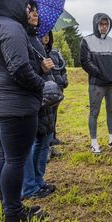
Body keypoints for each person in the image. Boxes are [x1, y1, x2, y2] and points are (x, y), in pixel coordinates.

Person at [0, 0, 48, 221]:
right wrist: (43, 86)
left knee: (6, 157)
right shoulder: (12, 27)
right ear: (14, 2)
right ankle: (14, 213)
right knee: (16, 159)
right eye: (26, 4)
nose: (29, 8)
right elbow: (19, 68)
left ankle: (9, 207)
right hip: (16, 104)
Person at [22, 2, 57, 200]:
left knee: (45, 138)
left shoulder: (34, 37)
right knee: (32, 142)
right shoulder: (21, 37)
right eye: (30, 10)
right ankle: (30, 187)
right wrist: (40, 69)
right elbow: (20, 69)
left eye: (36, 10)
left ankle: (38, 181)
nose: (35, 14)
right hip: (32, 95)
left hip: (43, 95)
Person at [80, 13, 112, 153]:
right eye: (101, 24)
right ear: (96, 25)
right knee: (94, 112)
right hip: (97, 84)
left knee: (111, 110)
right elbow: (85, 62)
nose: (104, 27)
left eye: (106, 24)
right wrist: (99, 73)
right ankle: (94, 142)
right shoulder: (86, 41)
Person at [41, 31, 68, 159]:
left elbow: (63, 68)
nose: (46, 37)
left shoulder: (55, 52)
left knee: (53, 117)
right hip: (45, 91)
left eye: (48, 35)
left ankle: (52, 142)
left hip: (58, 89)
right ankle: (46, 148)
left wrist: (63, 82)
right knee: (46, 119)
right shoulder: (37, 51)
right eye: (43, 35)